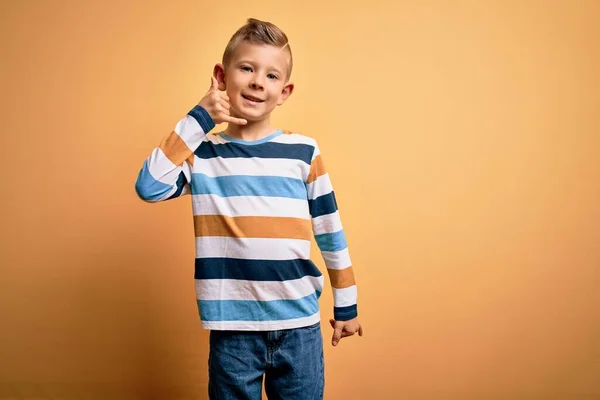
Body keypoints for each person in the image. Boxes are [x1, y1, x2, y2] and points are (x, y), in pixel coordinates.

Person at [135, 17, 363, 400]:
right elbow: (149, 186)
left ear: (284, 91)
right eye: (247, 68)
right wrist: (199, 118)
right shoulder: (203, 154)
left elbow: (329, 227)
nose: (259, 81)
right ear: (221, 77)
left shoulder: (303, 152)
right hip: (232, 330)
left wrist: (347, 302)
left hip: (299, 327)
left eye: (272, 75)